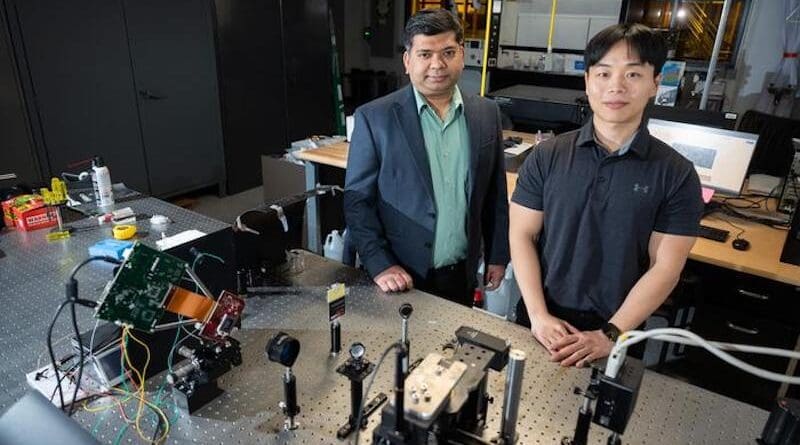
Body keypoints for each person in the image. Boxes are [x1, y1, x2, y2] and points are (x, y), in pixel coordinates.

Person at [509, 23, 703, 367]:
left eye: (632, 74)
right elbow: (522, 234)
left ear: (655, 84)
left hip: (618, 334)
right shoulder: (548, 155)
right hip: (540, 323)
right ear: (587, 82)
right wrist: (538, 315)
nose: (615, 86)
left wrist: (611, 334)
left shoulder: (677, 173)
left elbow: (666, 267)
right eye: (603, 73)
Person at [344, 9, 509, 306]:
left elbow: (494, 193)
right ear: (408, 61)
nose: (437, 64)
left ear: (462, 53)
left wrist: (498, 254)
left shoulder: (487, 114)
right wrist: (380, 263)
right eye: (425, 54)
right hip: (399, 274)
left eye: (448, 52)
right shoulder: (374, 118)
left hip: (461, 273)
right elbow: (358, 201)